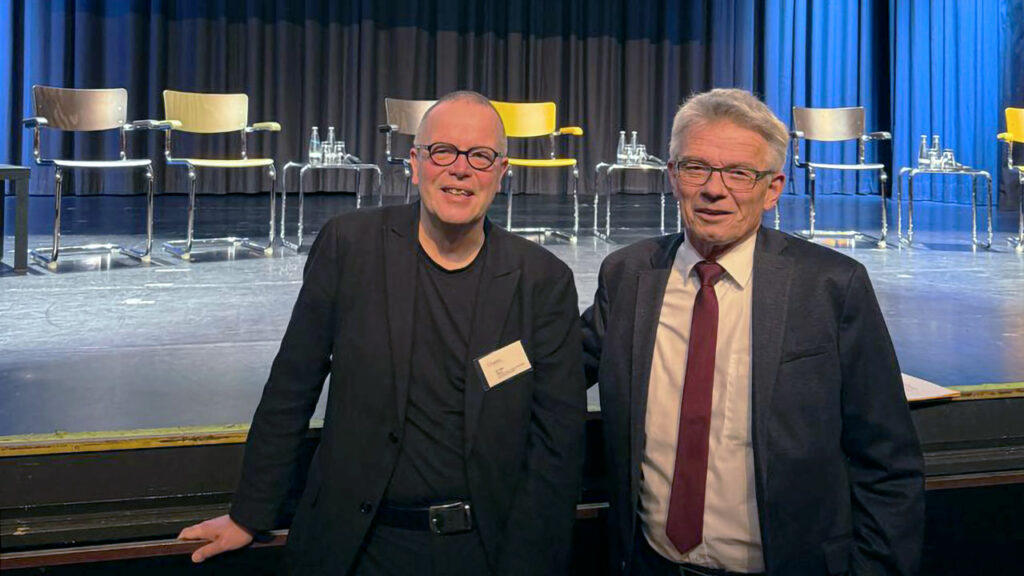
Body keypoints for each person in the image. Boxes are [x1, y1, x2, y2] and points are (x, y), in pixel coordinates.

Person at [179, 91, 587, 576]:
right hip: (358, 549)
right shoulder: (350, 247)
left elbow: (557, 445)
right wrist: (251, 513)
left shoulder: (542, 280)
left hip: (484, 553)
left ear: (501, 172)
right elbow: (293, 385)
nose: (460, 169)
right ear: (415, 163)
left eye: (480, 156)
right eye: (443, 152)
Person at [582, 88, 924, 576]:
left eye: (740, 173)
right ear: (672, 176)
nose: (714, 189)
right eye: (696, 167)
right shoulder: (628, 276)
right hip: (647, 565)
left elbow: (889, 462)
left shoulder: (831, 287)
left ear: (773, 188)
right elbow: (556, 366)